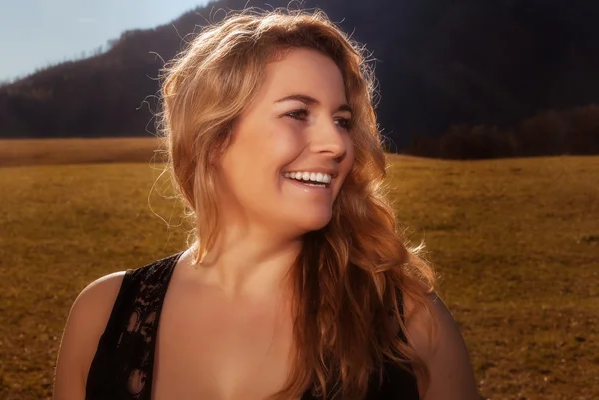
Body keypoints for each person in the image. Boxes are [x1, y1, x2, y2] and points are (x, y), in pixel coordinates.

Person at [53, 7, 479, 400]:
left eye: (343, 121)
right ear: (215, 138)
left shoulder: (410, 323)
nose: (336, 144)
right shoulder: (102, 316)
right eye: (298, 113)